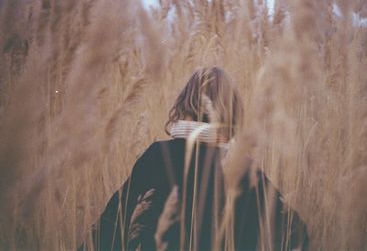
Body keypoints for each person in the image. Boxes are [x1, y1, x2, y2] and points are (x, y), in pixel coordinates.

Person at [79, 67, 308, 251]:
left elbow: (111, 225)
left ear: (184, 105)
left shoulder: (159, 156)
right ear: (232, 112)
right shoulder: (245, 170)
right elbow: (295, 235)